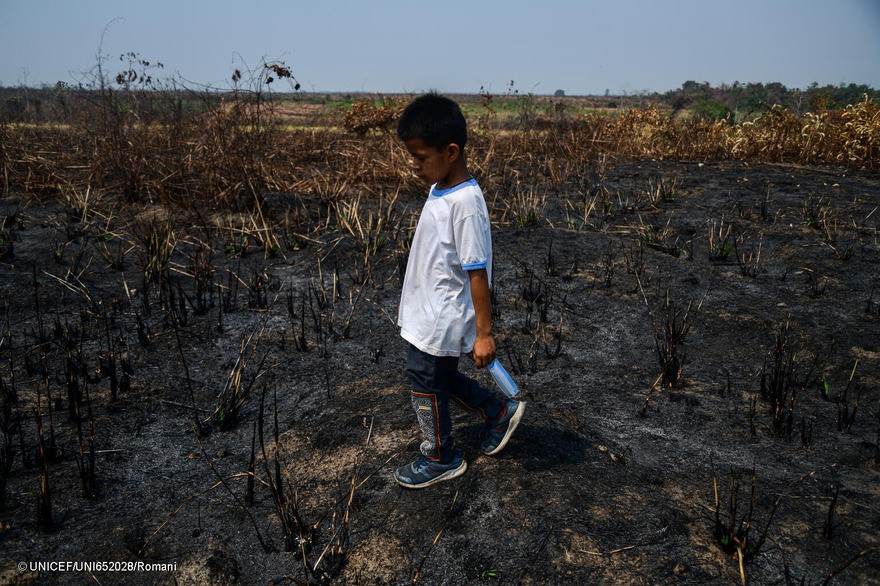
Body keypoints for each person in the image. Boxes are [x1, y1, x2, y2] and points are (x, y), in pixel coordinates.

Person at [394, 93, 525, 489]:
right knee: (441, 378)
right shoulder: (441, 188)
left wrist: (484, 334)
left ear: (451, 152)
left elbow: (477, 274)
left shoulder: (466, 203)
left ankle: (440, 457)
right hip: (428, 311)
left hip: (442, 316)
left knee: (425, 378)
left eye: (421, 157)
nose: (414, 166)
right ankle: (497, 410)